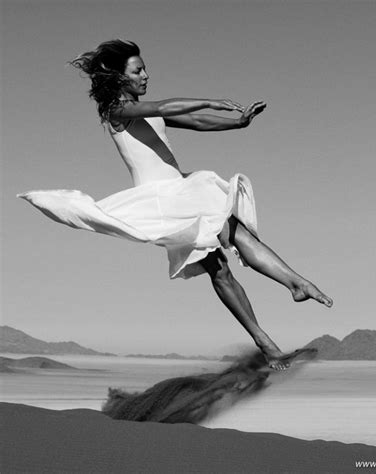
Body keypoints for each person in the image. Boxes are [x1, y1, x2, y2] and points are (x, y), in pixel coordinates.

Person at [18, 40, 333, 370]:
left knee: (233, 238)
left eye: (145, 69)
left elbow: (196, 122)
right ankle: (267, 341)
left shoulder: (144, 110)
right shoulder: (117, 110)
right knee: (220, 264)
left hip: (181, 188)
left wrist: (238, 123)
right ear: (117, 77)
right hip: (161, 198)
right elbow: (166, 107)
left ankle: (296, 284)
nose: (146, 75)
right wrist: (212, 99)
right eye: (138, 71)